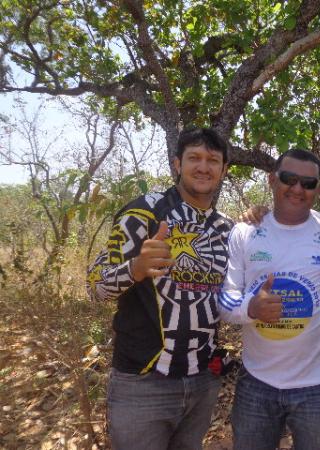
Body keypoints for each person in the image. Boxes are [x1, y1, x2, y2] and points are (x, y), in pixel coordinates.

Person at [86, 127, 232, 450]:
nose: (203, 167)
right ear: (177, 164)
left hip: (203, 381)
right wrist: (135, 268)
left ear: (224, 170)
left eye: (213, 160)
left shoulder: (227, 229)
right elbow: (94, 286)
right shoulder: (143, 213)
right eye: (194, 157)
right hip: (143, 381)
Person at [218, 148, 320, 450]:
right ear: (272, 180)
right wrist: (251, 307)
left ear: (317, 188)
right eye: (289, 178)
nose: (298, 188)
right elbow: (225, 300)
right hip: (257, 383)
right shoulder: (245, 232)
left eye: (308, 183)